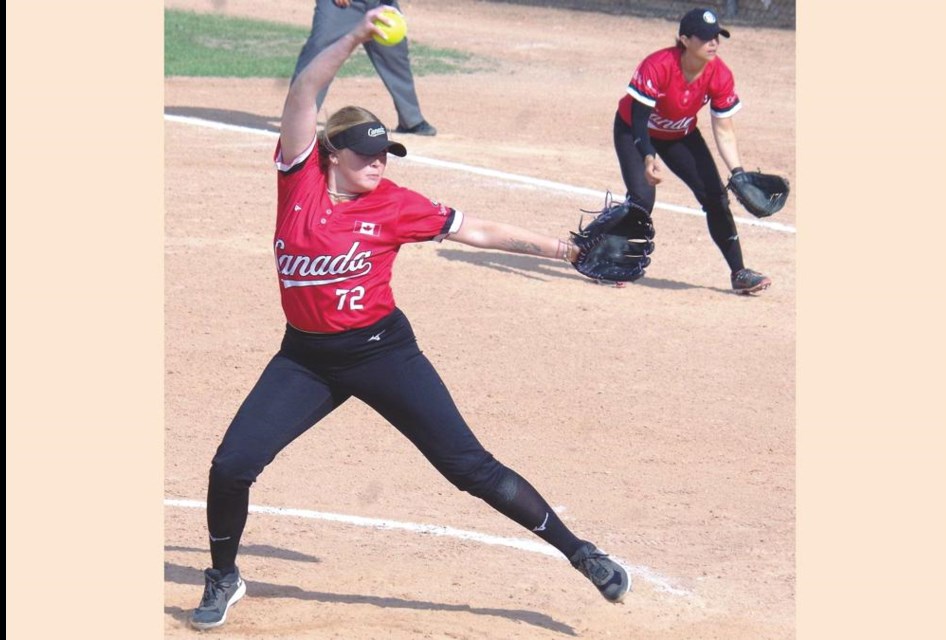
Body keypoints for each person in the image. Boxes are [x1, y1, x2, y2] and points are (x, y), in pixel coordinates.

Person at [190, 6, 630, 631]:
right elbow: (304, 91)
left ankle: (583, 554)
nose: (380, 164)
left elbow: (475, 228)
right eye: (367, 156)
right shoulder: (299, 180)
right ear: (331, 155)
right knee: (231, 466)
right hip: (306, 358)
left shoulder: (396, 204)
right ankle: (223, 577)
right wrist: (354, 37)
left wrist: (568, 251)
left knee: (469, 468)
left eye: (387, 155)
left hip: (382, 354)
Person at [614, 7, 772, 294]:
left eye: (716, 36)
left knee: (716, 197)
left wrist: (738, 172)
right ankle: (615, 261)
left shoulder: (720, 74)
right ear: (684, 40)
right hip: (634, 131)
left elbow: (723, 128)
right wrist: (648, 155)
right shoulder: (658, 65)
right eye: (704, 37)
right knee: (642, 198)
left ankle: (739, 273)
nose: (713, 43)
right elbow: (639, 119)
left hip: (679, 134)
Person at [292, 0, 437, 136]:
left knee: (395, 57)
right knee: (319, 52)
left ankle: (411, 120)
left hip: (381, 3)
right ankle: (295, 118)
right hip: (341, 5)